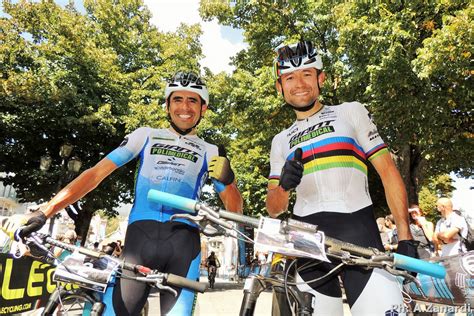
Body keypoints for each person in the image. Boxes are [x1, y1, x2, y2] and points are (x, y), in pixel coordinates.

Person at [1, 71, 243, 315]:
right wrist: (45, 211)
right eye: (177, 99)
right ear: (167, 105)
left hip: (184, 248)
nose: (184, 107)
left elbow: (235, 211)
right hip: (139, 243)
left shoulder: (211, 150)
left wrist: (229, 181)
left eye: (193, 100)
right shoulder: (145, 135)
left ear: (204, 108)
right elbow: (95, 174)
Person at [266, 40, 417, 315]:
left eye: (307, 74)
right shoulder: (279, 141)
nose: (299, 83)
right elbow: (274, 208)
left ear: (321, 78)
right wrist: (284, 186)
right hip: (307, 246)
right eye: (289, 77)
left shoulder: (350, 112)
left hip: (359, 235)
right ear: (280, 86)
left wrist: (406, 237)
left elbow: (388, 172)